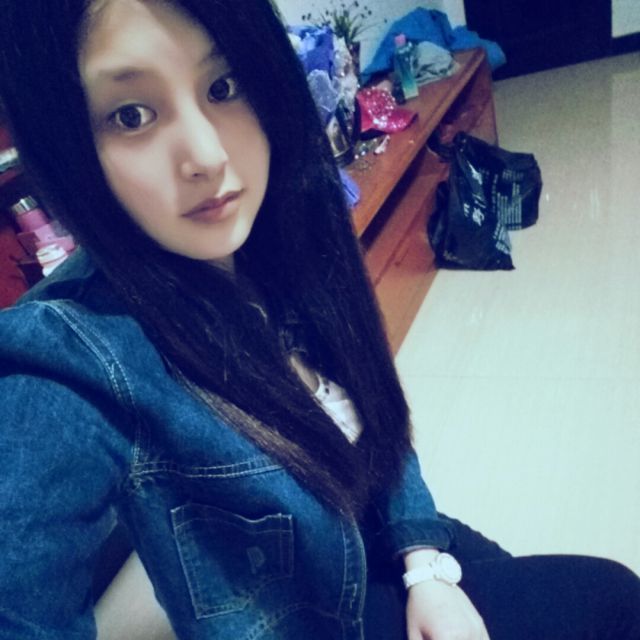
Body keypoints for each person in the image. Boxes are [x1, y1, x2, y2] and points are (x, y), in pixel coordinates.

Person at [0, 1, 638, 639]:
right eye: (131, 115)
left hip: (395, 533)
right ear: (67, 145)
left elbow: (381, 428)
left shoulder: (284, 231)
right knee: (610, 598)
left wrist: (426, 567)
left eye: (224, 85)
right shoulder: (70, 355)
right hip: (331, 618)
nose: (207, 156)